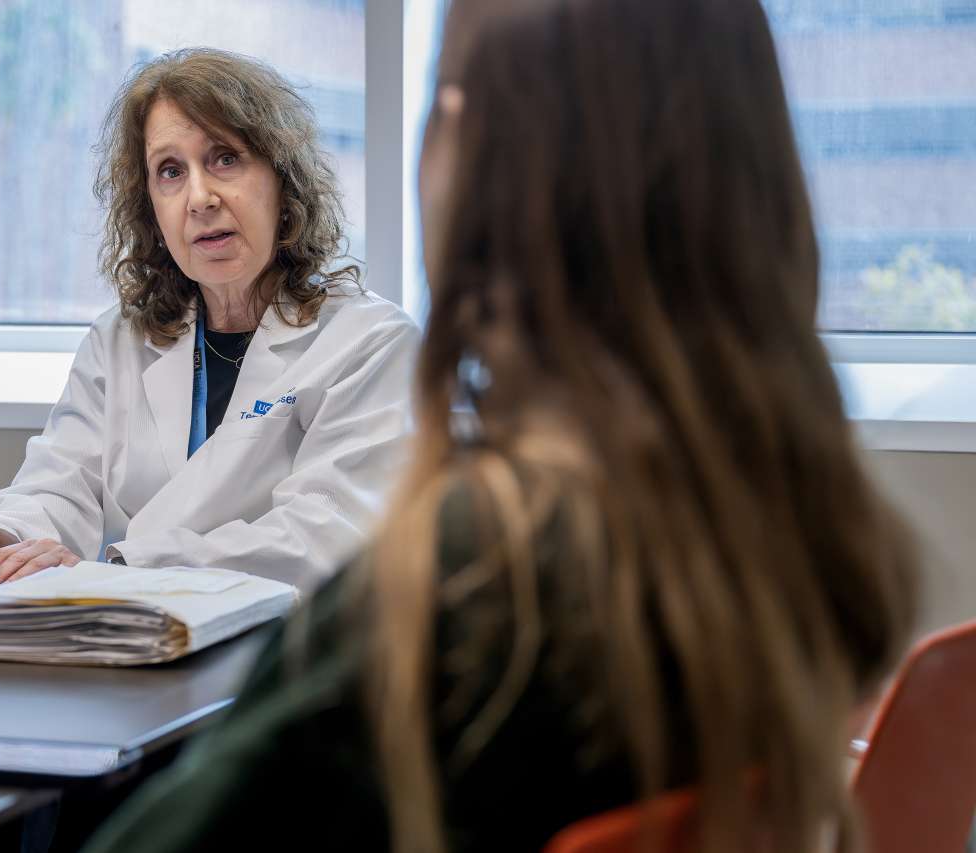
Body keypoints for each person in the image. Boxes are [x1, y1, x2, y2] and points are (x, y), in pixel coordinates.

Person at [82, 0, 918, 851]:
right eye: (170, 172)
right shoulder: (816, 533)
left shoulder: (472, 581)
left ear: (476, 155)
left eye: (443, 99)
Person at [0, 49, 418, 595]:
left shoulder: (370, 343)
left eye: (225, 158)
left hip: (284, 659)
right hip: (130, 649)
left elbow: (325, 539)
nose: (199, 197)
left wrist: (117, 571)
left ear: (282, 180)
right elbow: (59, 483)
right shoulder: (119, 341)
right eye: (170, 171)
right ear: (150, 205)